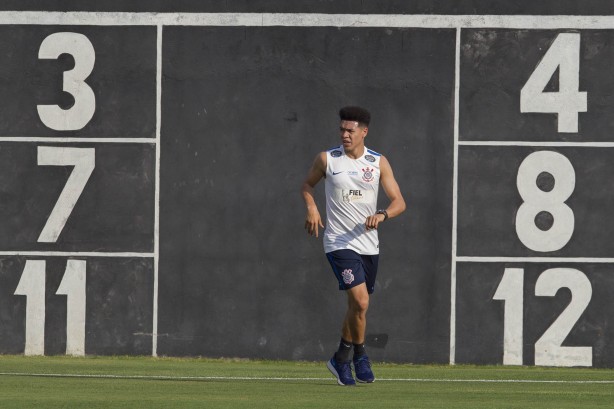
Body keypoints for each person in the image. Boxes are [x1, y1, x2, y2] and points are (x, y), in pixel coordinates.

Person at [301, 106, 406, 386]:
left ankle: (340, 358)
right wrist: (311, 207)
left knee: (357, 307)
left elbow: (400, 202)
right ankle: (359, 354)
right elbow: (306, 186)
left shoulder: (378, 162)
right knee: (360, 301)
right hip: (338, 242)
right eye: (342, 129)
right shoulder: (327, 159)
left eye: (350, 130)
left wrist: (382, 214)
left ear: (364, 132)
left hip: (369, 246)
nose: (345, 134)